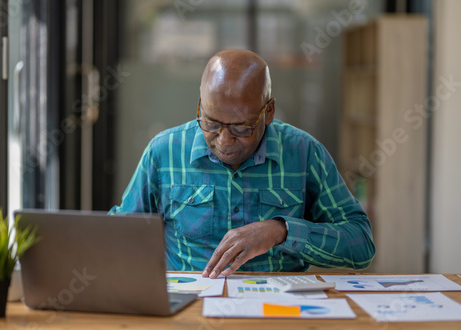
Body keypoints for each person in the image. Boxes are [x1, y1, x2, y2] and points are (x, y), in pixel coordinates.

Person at [110, 49, 375, 278]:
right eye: (211, 123)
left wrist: (281, 231)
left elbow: (361, 244)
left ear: (268, 111)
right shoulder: (164, 151)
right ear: (201, 105)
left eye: (241, 128)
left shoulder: (304, 153)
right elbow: (122, 232)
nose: (224, 141)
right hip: (190, 308)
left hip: (279, 311)